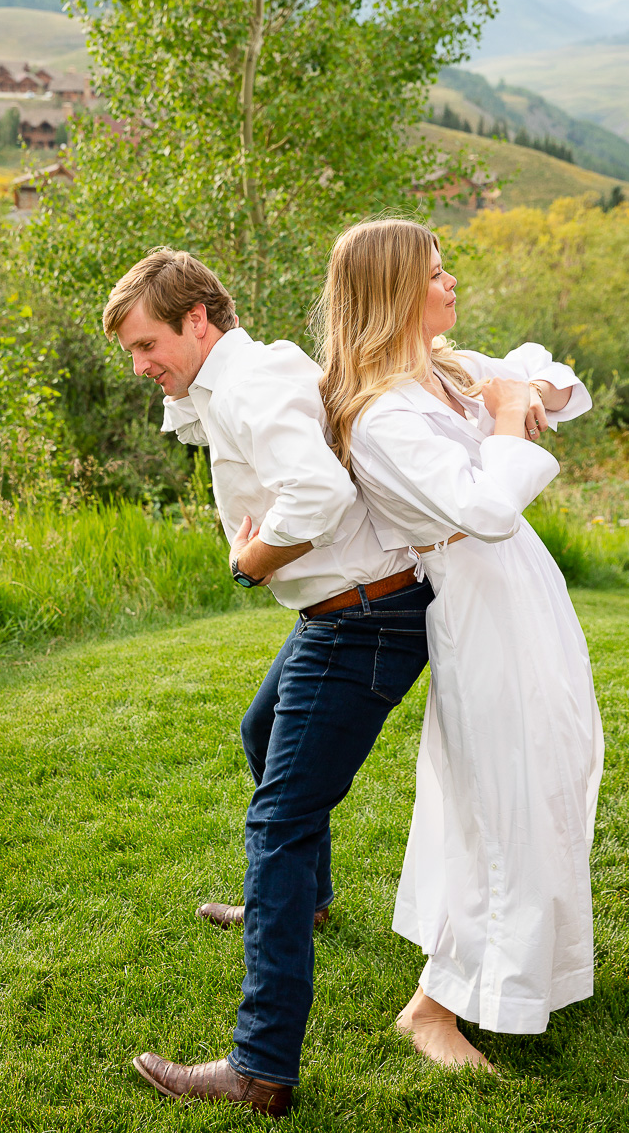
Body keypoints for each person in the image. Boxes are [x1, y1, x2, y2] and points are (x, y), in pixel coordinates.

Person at [101, 247, 442, 1116]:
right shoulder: (236, 378)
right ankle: (310, 907)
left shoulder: (249, 385)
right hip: (339, 611)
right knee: (262, 734)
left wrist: (249, 561)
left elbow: (318, 494)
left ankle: (259, 1067)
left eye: (146, 345)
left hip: (361, 621)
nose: (140, 366)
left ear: (198, 322)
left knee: (278, 826)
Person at [316, 217, 605, 1070]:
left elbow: (539, 372)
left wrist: (525, 397)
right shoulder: (377, 418)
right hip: (474, 601)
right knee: (498, 795)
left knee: (557, 761)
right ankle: (432, 1007)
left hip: (524, 588)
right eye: (436, 275)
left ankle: (526, 969)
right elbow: (482, 507)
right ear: (396, 291)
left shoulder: (444, 370)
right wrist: (511, 416)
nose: (450, 284)